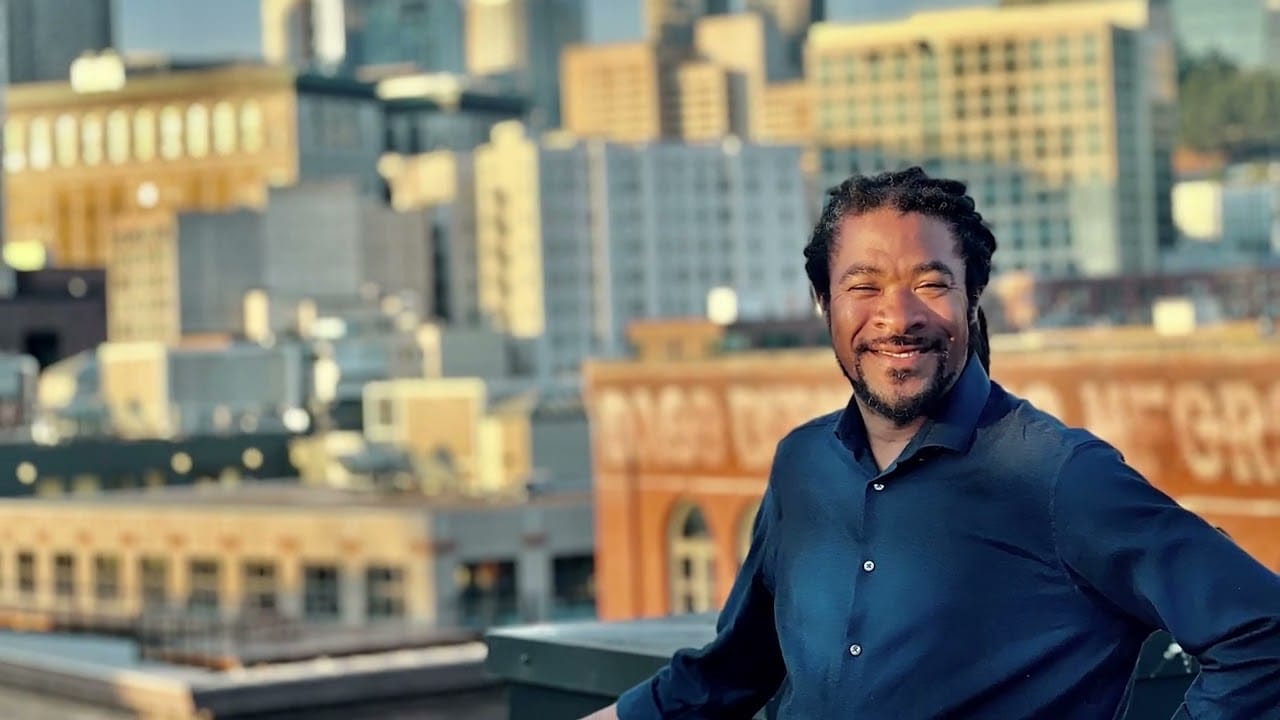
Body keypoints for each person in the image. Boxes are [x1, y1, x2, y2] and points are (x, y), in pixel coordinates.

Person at [584, 167, 1280, 719]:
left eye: (931, 283)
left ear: (972, 296)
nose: (898, 316)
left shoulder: (1059, 476)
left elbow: (1260, 632)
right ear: (825, 303)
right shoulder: (802, 464)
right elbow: (737, 669)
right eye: (864, 286)